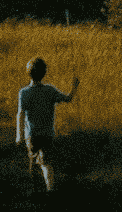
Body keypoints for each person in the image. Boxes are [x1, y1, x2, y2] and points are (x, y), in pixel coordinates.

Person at [15, 58, 79, 192]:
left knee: (34, 161)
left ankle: (36, 191)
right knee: (46, 163)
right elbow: (68, 99)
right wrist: (74, 87)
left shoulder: (24, 93)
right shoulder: (49, 90)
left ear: (29, 73)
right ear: (44, 73)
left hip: (31, 135)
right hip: (48, 134)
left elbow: (20, 114)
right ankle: (50, 190)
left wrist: (19, 135)